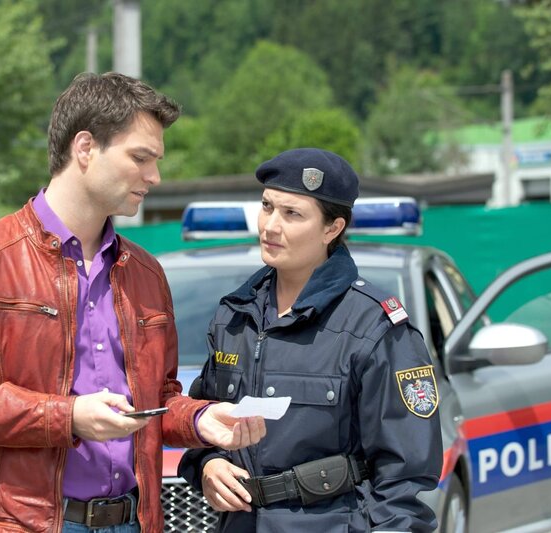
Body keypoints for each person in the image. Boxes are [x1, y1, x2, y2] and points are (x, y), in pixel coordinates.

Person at [0, 72, 266, 533]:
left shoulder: (145, 272)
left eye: (156, 161)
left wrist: (201, 419)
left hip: (132, 520)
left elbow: (157, 401)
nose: (155, 176)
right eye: (141, 157)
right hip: (25, 524)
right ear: (84, 148)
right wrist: (68, 416)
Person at [178, 148, 443, 532]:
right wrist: (207, 464)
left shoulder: (375, 326)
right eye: (267, 207)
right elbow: (201, 417)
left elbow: (405, 478)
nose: (270, 226)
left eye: (293, 214)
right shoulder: (234, 317)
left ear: (331, 228)